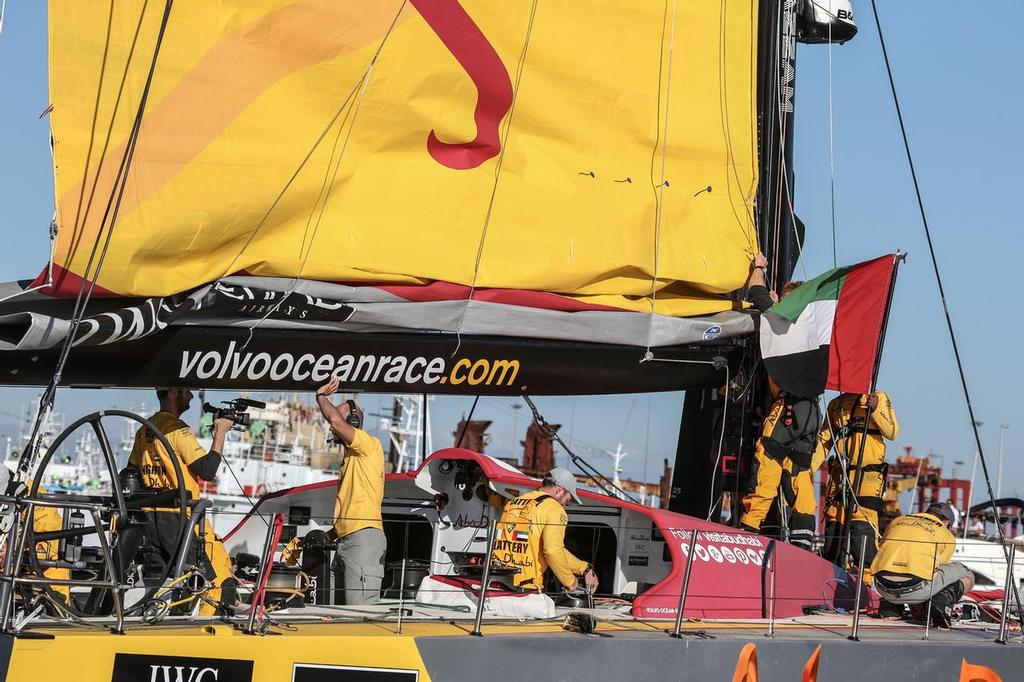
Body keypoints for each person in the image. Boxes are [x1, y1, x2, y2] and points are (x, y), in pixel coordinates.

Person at [126, 387, 236, 615]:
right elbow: (207, 469)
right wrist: (221, 433)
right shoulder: (178, 430)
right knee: (219, 581)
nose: (191, 396)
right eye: (186, 391)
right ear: (173, 393)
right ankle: (207, 637)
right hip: (181, 519)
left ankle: (170, 625)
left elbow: (131, 471)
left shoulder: (145, 429)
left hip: (150, 520)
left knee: (164, 585)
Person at [739, 264, 821, 551]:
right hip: (811, 411)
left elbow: (756, 290)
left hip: (787, 408)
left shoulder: (780, 319)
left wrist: (759, 266)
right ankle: (803, 540)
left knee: (767, 462)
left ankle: (750, 529)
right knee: (798, 473)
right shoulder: (814, 325)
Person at [314, 377, 387, 605]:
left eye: (339, 415)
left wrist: (320, 397)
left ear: (353, 422)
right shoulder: (350, 459)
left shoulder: (369, 445)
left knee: (359, 614)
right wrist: (327, 536)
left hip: (363, 540)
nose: (331, 424)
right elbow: (351, 510)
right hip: (345, 540)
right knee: (333, 611)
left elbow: (335, 422)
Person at [816, 391, 899, 569]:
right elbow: (825, 440)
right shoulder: (836, 404)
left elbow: (892, 431)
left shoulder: (878, 397)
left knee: (862, 531)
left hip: (867, 479)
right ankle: (831, 573)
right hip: (840, 477)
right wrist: (807, 470)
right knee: (834, 529)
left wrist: (876, 409)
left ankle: (868, 578)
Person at [490, 468, 599, 594]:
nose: (564, 505)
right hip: (524, 589)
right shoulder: (554, 508)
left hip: (495, 583)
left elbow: (542, 546)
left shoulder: (514, 502)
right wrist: (570, 582)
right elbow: (552, 551)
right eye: (566, 500)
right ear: (559, 490)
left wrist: (584, 568)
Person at [871, 502, 973, 628]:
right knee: (966, 573)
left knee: (898, 566)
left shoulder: (898, 520)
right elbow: (934, 570)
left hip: (882, 587)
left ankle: (892, 607)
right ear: (947, 521)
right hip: (916, 590)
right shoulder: (945, 534)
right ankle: (942, 600)